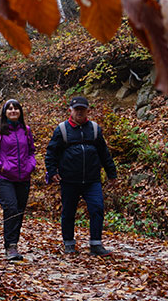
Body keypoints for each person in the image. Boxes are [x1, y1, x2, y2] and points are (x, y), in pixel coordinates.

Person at [45, 96, 117, 257]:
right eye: (76, 109)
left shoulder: (95, 129)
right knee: (69, 212)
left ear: (87, 110)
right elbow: (51, 152)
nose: (79, 112)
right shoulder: (62, 129)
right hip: (69, 179)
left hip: (92, 180)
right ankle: (69, 243)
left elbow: (104, 152)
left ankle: (96, 244)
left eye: (82, 109)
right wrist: (52, 171)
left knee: (97, 208)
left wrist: (111, 173)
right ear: (70, 110)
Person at [0, 99, 36, 261]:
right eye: (10, 109)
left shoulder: (26, 130)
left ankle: (14, 243)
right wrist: (0, 166)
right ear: (5, 112)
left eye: (16, 108)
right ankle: (10, 245)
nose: (13, 111)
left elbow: (32, 151)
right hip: (4, 177)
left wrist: (31, 165)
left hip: (23, 177)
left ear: (20, 112)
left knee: (19, 210)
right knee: (11, 208)